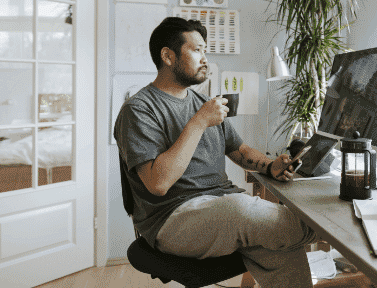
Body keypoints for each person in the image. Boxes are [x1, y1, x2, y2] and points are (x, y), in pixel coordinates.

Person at [114, 17, 317, 288]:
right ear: (168, 56)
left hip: (223, 208)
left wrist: (271, 166)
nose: (205, 58)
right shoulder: (139, 109)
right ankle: (331, 231)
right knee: (245, 210)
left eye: (205, 50)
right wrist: (198, 122)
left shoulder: (202, 102)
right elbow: (158, 183)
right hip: (172, 219)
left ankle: (318, 228)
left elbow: (240, 150)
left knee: (278, 244)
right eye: (197, 50)